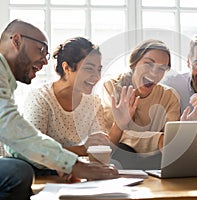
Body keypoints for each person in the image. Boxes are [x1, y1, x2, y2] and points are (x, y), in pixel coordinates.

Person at [0, 19, 117, 200]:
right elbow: (13, 131)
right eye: (40, 51)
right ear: (16, 40)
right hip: (32, 168)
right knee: (18, 172)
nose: (45, 62)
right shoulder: (39, 96)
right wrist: (71, 163)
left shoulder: (7, 82)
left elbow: (13, 142)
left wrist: (61, 162)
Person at [100, 39, 180, 169]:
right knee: (123, 151)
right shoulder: (111, 87)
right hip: (121, 157)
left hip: (155, 160)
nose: (154, 73)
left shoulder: (169, 96)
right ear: (134, 63)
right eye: (148, 64)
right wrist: (156, 139)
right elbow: (113, 135)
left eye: (162, 68)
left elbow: (169, 140)